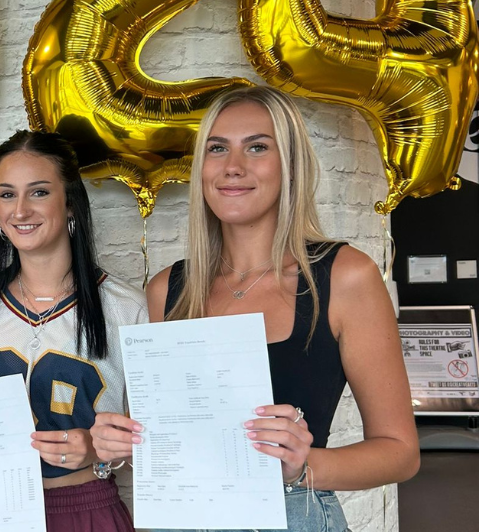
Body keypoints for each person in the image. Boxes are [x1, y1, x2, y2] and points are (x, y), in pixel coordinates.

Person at [91, 86, 420, 532]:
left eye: (258, 147)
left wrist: (302, 466)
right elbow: (167, 447)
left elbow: (400, 452)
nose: (233, 167)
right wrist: (121, 445)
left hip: (293, 515)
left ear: (290, 166)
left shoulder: (344, 277)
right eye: (217, 148)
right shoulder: (168, 289)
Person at [0, 130, 148, 531]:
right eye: (7, 195)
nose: (20, 210)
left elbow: (160, 440)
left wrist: (96, 450)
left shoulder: (125, 306)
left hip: (83, 510)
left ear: (71, 202)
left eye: (38, 192)